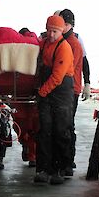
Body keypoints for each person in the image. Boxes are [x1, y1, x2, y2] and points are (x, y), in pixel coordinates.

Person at [34, 15, 74, 185]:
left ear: (62, 30)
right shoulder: (43, 44)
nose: (51, 34)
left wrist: (42, 92)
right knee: (44, 131)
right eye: (49, 30)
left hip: (61, 93)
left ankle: (60, 169)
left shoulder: (64, 48)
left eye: (55, 31)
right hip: (47, 92)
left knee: (60, 130)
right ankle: (43, 169)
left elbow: (57, 77)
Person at [59, 9, 83, 176]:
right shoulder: (72, 42)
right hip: (70, 89)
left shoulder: (72, 44)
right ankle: (67, 161)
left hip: (69, 90)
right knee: (67, 124)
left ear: (68, 25)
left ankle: (67, 162)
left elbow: (67, 69)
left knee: (66, 125)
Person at [54, 10, 91, 101]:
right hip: (57, 87)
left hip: (71, 86)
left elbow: (84, 61)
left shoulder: (76, 40)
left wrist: (87, 83)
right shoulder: (51, 37)